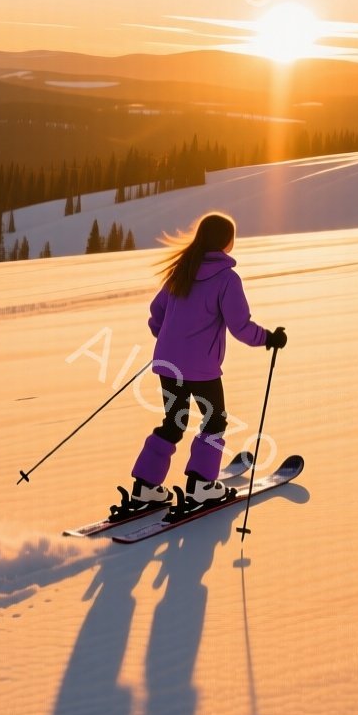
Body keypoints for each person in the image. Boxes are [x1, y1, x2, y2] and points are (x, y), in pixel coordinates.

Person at [126, 212, 286, 509]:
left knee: (174, 422)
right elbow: (240, 326)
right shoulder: (226, 279)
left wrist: (170, 341)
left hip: (168, 364)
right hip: (201, 369)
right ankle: (201, 486)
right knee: (214, 421)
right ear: (226, 241)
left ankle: (145, 487)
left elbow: (156, 312)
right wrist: (269, 338)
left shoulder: (182, 271)